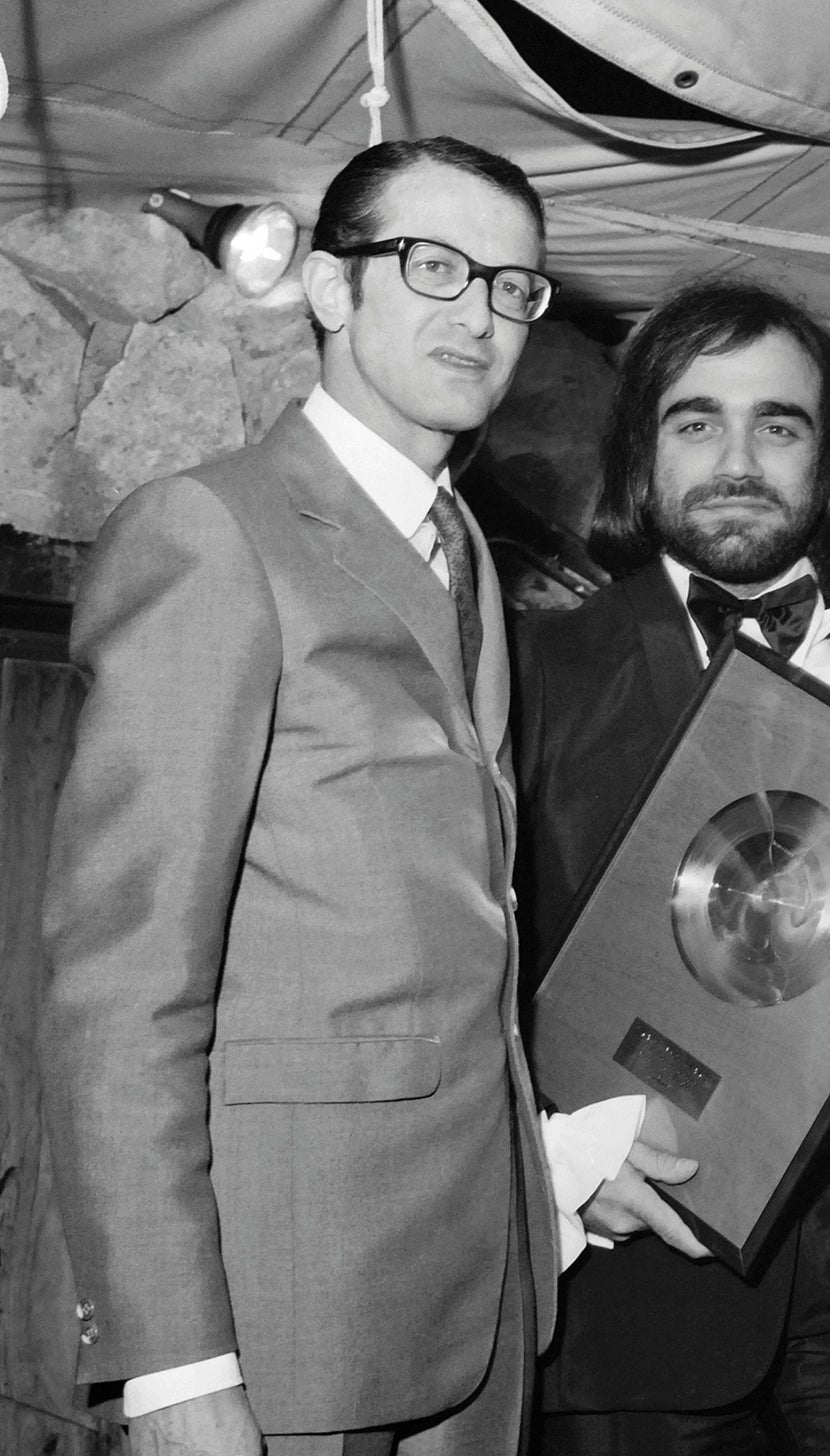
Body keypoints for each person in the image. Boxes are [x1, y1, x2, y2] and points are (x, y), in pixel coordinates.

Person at [38, 135, 572, 1455]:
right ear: (330, 291)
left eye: (515, 287)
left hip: (472, 1293)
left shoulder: (469, 559)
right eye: (436, 266)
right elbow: (120, 982)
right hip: (284, 1315)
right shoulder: (213, 532)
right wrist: (170, 1363)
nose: (481, 313)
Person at [514, 279, 830, 1456]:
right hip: (643, 1261)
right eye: (695, 422)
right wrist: (548, 1143)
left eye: (777, 425)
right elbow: (468, 952)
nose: (736, 458)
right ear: (642, 452)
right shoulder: (532, 673)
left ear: (826, 462)